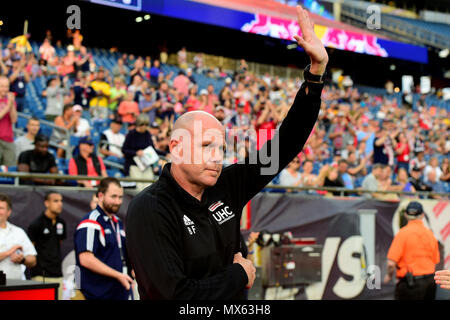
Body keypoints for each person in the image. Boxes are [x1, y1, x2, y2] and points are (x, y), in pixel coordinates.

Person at [125, 5, 328, 300]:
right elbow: (174, 296)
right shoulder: (150, 209)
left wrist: (316, 73)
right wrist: (238, 275)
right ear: (176, 147)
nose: (216, 156)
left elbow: (285, 144)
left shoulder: (227, 185)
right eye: (206, 145)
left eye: (220, 147)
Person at [74, 178, 134, 300]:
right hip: (97, 294)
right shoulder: (91, 222)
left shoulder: (117, 222)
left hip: (119, 292)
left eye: (120, 197)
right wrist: (118, 275)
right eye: (113, 196)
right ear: (100, 196)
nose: (118, 202)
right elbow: (85, 259)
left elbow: (123, 255)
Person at [383, 201, 440, 300]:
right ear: (422, 215)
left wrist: (388, 276)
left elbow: (391, 263)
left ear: (406, 215)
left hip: (411, 284)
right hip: (430, 282)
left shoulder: (403, 234)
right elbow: (435, 260)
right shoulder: (430, 234)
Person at [28, 191, 66, 298]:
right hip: (40, 275)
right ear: (46, 203)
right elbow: (30, 249)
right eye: (55, 201)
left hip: (58, 274)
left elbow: (58, 243)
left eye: (61, 201)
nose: (60, 204)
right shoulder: (36, 224)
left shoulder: (61, 223)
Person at [0, 193, 37, 279]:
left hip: (16, 287)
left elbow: (33, 260)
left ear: (8, 212)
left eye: (1, 208)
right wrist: (9, 252)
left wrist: (22, 259)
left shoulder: (18, 232)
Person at [121, 114, 155, 190]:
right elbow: (124, 149)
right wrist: (136, 152)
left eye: (146, 124)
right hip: (134, 165)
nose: (144, 127)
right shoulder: (131, 134)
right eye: (142, 124)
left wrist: (166, 154)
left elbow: (152, 149)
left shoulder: (147, 134)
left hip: (146, 164)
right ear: (138, 124)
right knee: (139, 188)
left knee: (149, 187)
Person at [0, 76, 18, 166]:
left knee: (9, 168)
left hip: (8, 139)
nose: (5, 89)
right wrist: (7, 107)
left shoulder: (10, 101)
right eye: (2, 86)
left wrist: (11, 105)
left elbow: (14, 119)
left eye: (6, 86)